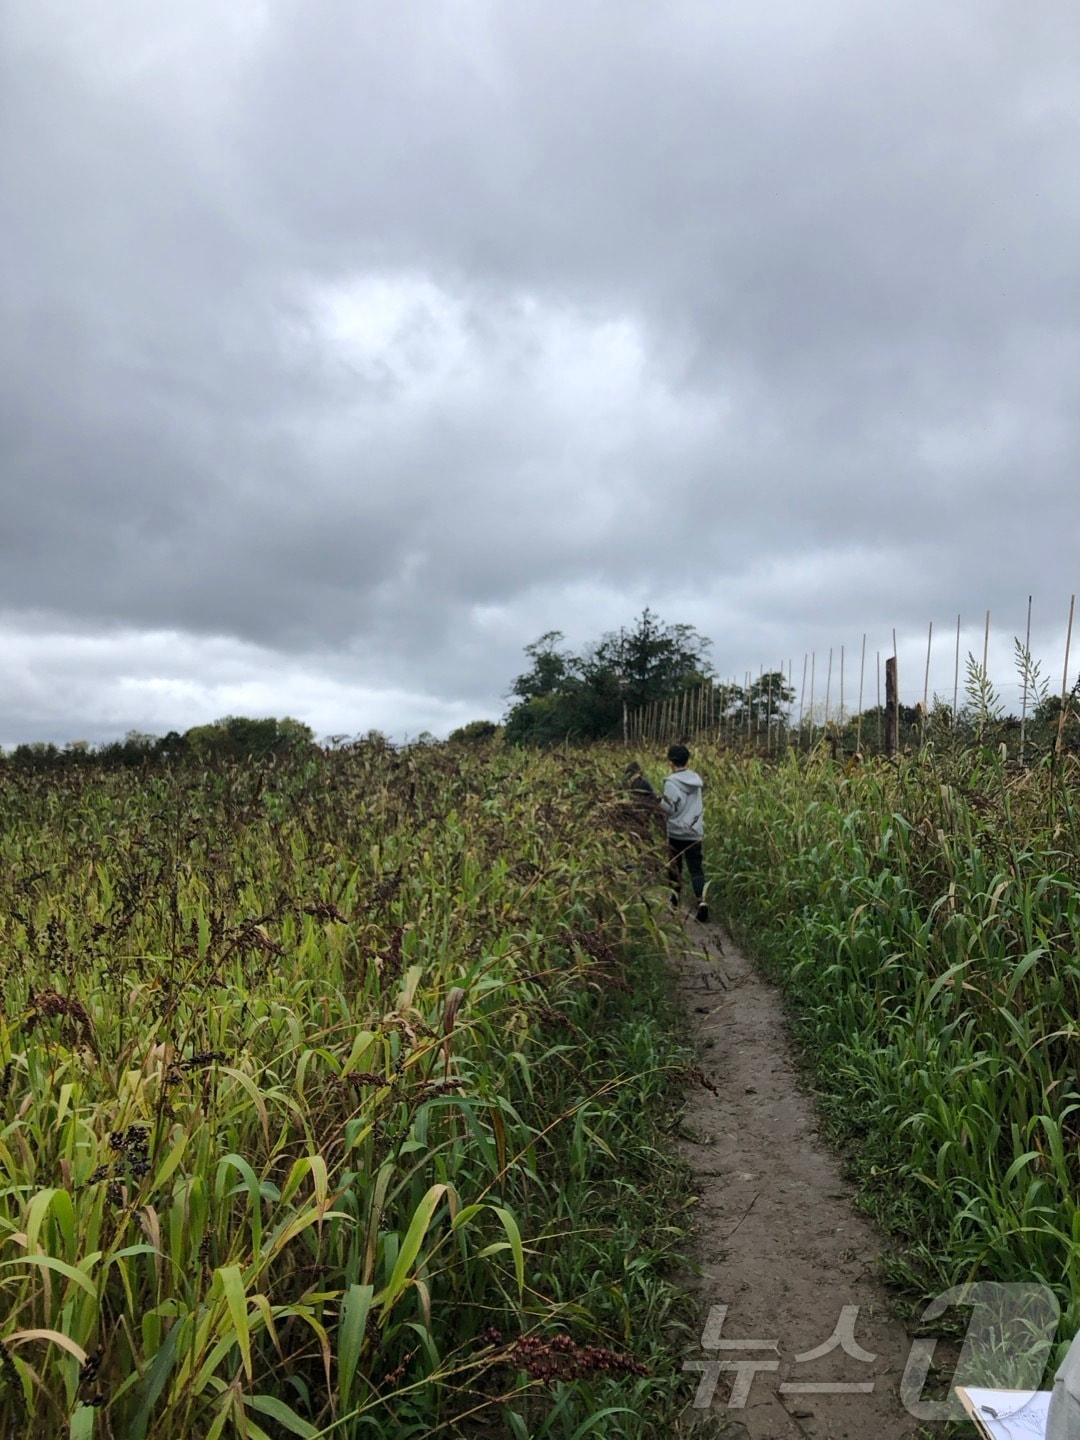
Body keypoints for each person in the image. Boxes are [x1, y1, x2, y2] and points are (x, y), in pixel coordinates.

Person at [659, 743, 708, 922]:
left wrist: (659, 803)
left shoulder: (671, 782)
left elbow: (669, 809)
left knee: (675, 869)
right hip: (695, 832)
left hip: (676, 833)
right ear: (687, 760)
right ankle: (702, 902)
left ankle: (673, 903)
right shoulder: (696, 781)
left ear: (671, 762)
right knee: (696, 869)